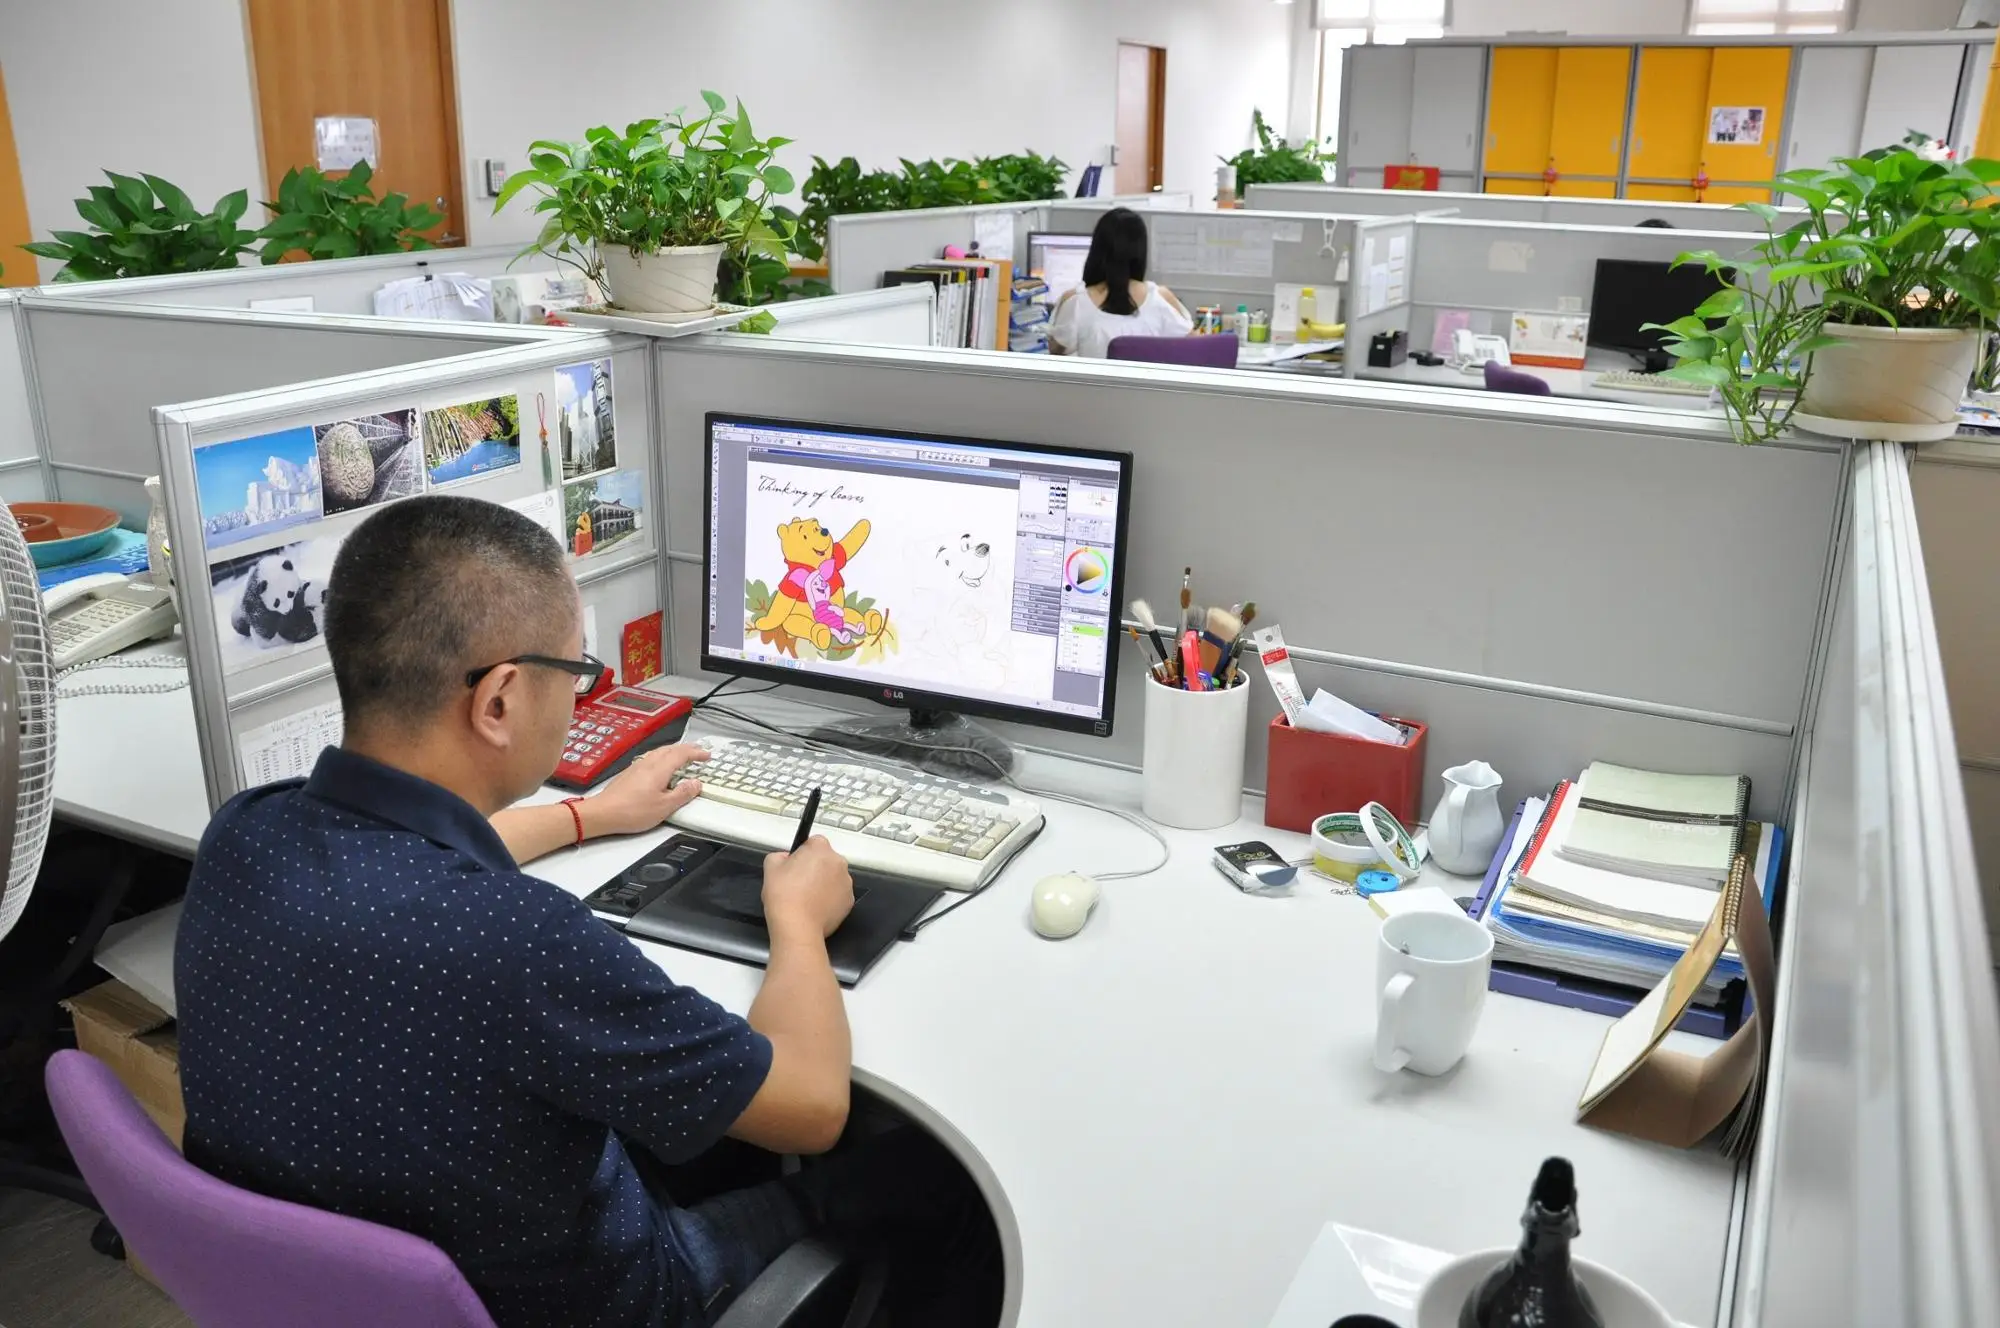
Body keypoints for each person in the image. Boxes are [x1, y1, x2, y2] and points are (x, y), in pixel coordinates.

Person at [175, 495, 996, 1328]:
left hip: (339, 1291)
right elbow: (812, 1106)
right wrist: (796, 919)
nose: (580, 695)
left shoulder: (245, 833)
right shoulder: (522, 942)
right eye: (576, 672)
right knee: (934, 1173)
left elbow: (412, 853)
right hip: (596, 1304)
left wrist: (589, 814)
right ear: (499, 702)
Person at [1047, 205, 1194, 356]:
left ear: (1097, 250)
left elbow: (1056, 351)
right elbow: (1193, 349)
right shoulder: (1160, 298)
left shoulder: (1076, 302)